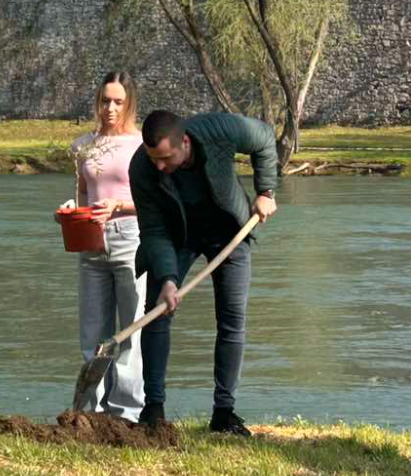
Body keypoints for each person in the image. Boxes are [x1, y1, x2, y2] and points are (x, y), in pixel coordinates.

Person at [128, 109, 278, 436]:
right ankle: (153, 411)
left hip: (229, 232)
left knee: (231, 318)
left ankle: (224, 414)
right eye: (154, 158)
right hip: (176, 236)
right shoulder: (142, 167)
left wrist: (265, 191)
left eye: (166, 158)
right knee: (156, 311)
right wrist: (168, 279)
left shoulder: (219, 130)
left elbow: (265, 138)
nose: (159, 166)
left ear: (184, 142)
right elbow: (153, 231)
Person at [69, 71, 147, 420]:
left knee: (130, 331)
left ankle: (126, 415)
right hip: (90, 243)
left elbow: (152, 201)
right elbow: (84, 192)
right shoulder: (83, 145)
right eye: (105, 100)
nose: (110, 108)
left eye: (118, 101)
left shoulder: (143, 145)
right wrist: (73, 213)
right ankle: (91, 413)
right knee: (93, 334)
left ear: (129, 102)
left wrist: (119, 207)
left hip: (130, 239)